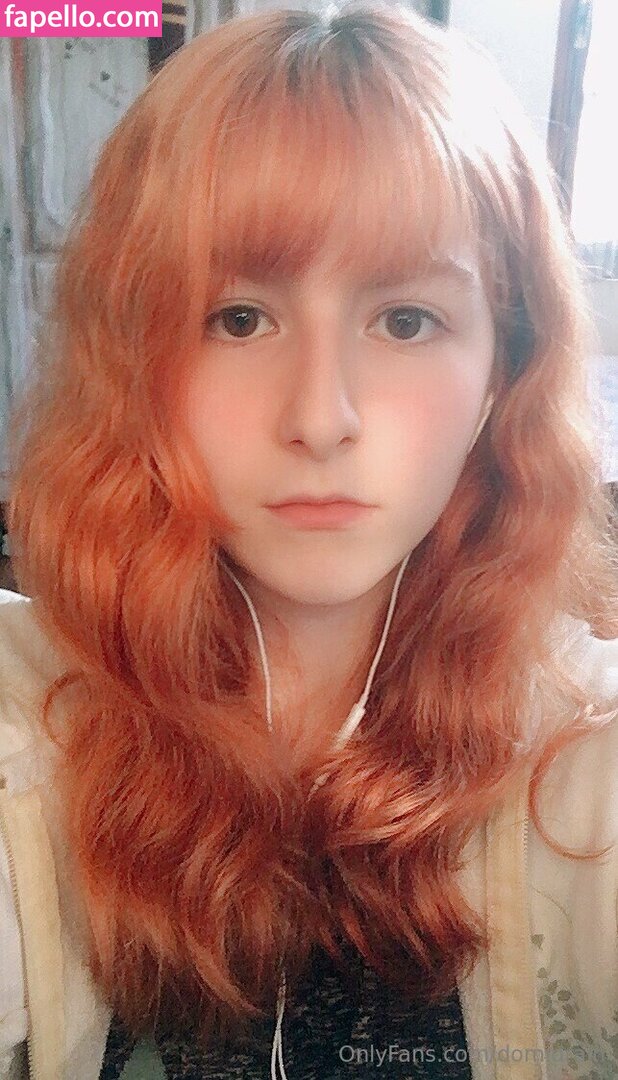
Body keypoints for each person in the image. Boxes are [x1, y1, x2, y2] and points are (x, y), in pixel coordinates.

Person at [1, 2, 617, 1077]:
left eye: (406, 320)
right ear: (132, 359)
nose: (321, 418)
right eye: (239, 318)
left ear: (500, 376)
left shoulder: (592, 766)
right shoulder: (24, 731)